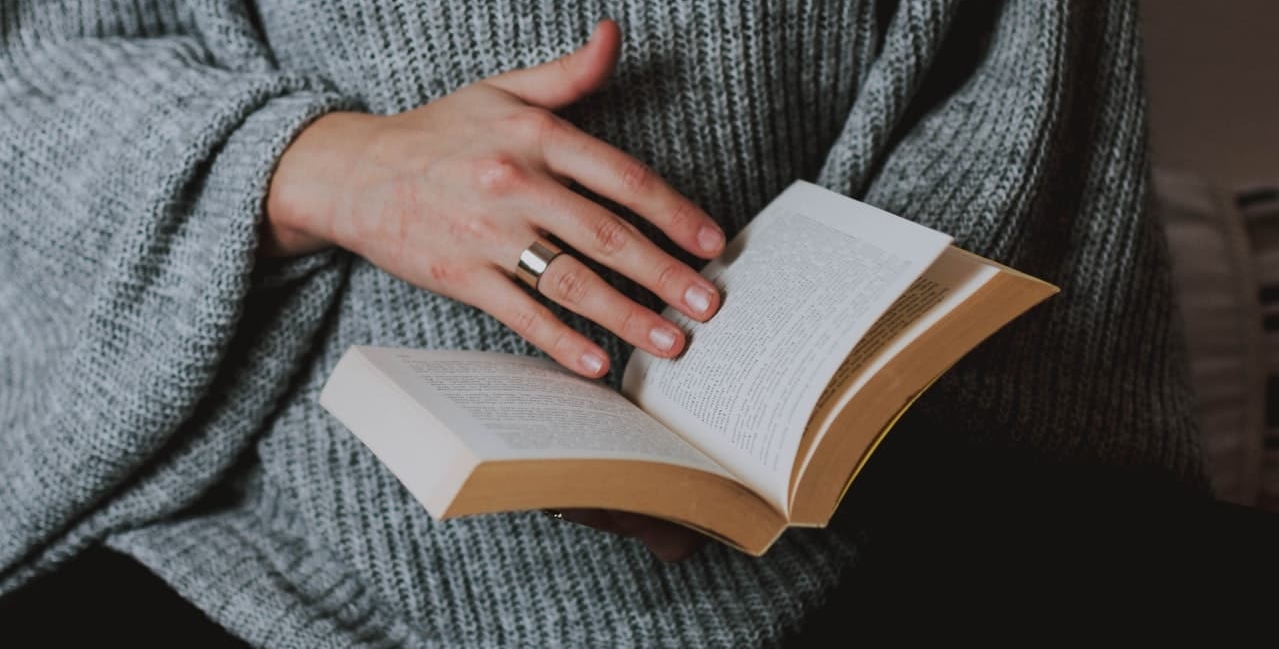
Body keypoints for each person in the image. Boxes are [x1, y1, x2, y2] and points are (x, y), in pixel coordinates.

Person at [1, 0, 1264, 645]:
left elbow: (1019, 73)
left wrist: (792, 409)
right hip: (277, 558)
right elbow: (49, 52)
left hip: (879, 526)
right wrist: (332, 168)